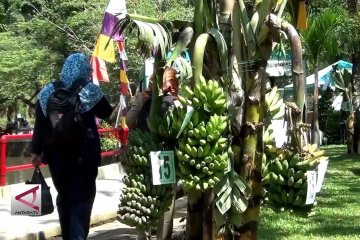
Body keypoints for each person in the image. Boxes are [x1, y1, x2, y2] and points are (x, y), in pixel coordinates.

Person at [30, 53, 113, 240]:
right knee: (82, 201)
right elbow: (107, 113)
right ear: (83, 69)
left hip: (56, 158)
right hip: (85, 157)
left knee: (64, 198)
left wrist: (36, 152)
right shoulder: (90, 90)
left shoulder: (46, 92)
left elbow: (40, 125)